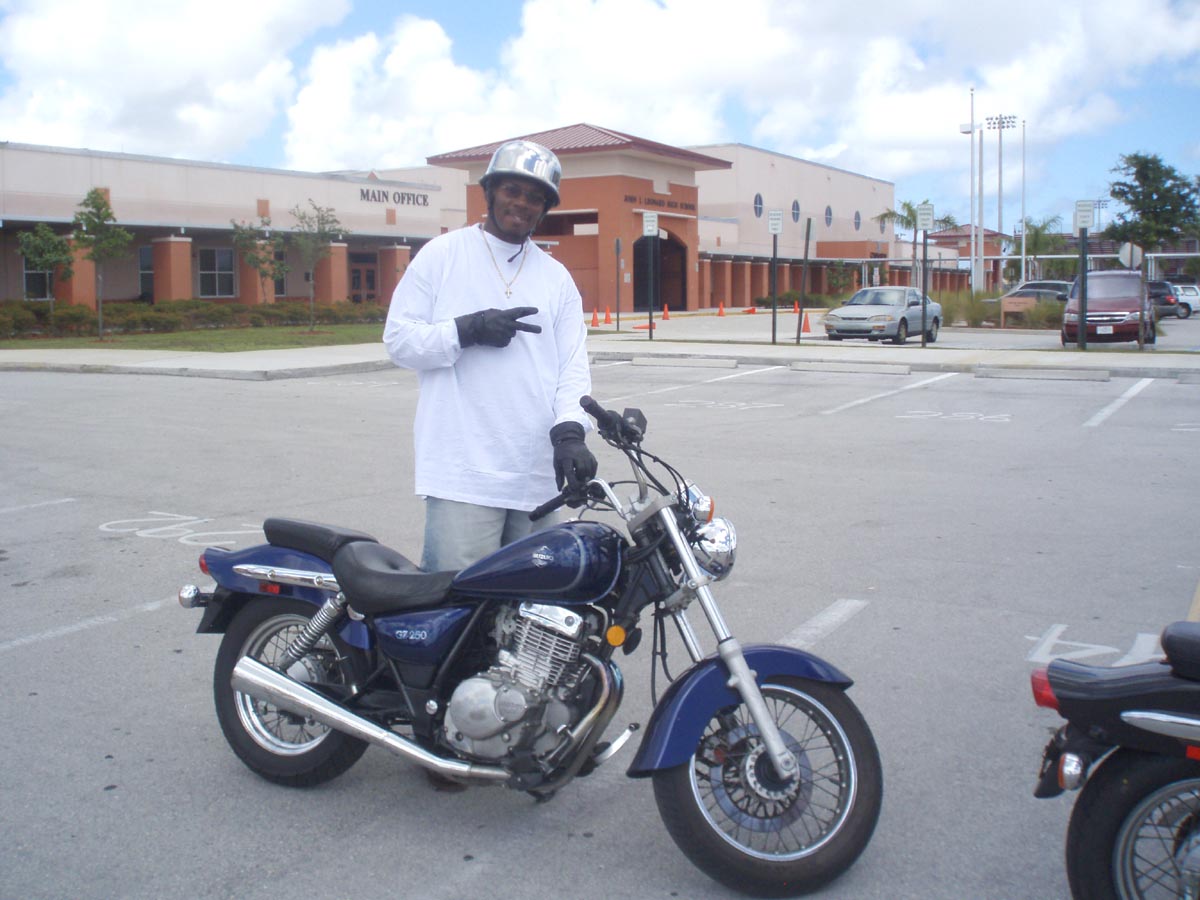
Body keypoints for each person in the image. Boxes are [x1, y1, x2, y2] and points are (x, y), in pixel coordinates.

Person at [383, 139, 597, 573]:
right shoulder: (443, 255)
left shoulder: (556, 278)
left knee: (535, 603)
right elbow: (399, 341)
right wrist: (467, 330)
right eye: (512, 190)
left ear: (545, 208)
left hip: (537, 477)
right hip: (463, 474)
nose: (521, 204)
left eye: (535, 197)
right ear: (489, 192)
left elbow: (572, 368)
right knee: (458, 601)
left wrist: (570, 432)